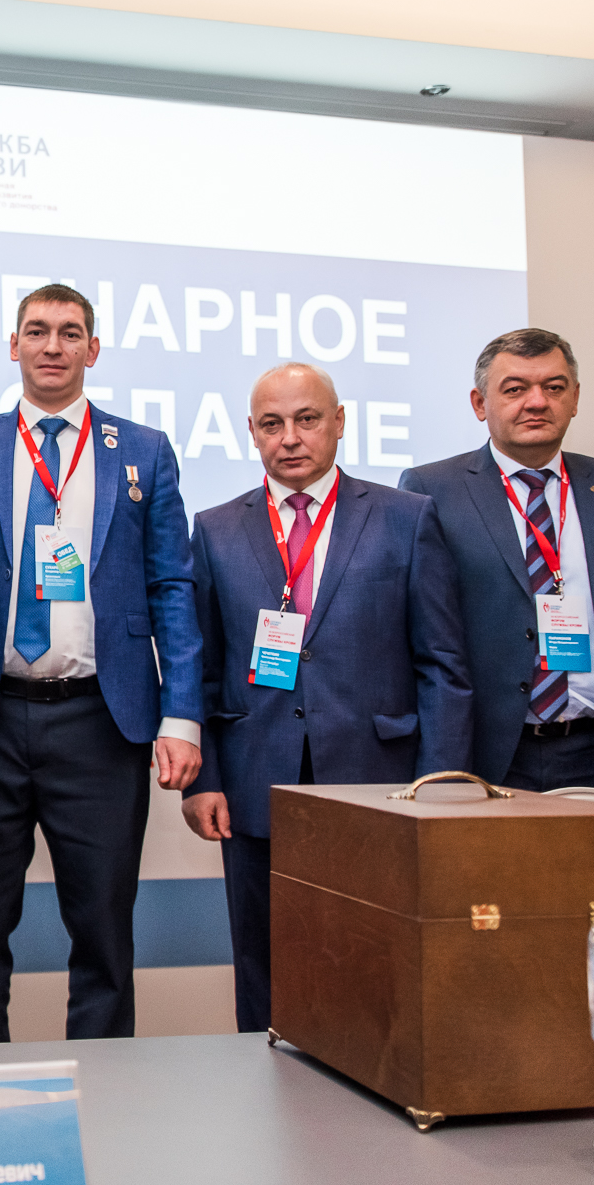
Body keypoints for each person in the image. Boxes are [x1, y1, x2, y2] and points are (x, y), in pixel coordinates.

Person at [0, 284, 202, 1041]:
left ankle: (106, 1088)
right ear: (13, 345)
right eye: (37, 330)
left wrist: (181, 715)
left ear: (93, 348)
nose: (52, 345)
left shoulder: (142, 449)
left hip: (100, 722)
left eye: (69, 332)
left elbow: (172, 587)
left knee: (103, 930)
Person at [184, 362, 470, 1032]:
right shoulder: (216, 528)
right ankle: (266, 1079)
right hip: (255, 782)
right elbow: (201, 667)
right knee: (265, 963)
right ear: (251, 432)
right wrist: (204, 780)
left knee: (376, 958)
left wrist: (441, 783)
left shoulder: (406, 517)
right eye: (272, 424)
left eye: (307, 419)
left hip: (383, 783)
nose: (290, 437)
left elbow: (443, 665)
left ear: (339, 423)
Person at [397, 329, 594, 811]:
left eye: (554, 387)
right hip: (481, 754)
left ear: (575, 398)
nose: (536, 402)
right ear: (480, 403)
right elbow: (416, 636)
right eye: (515, 389)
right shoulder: (431, 490)